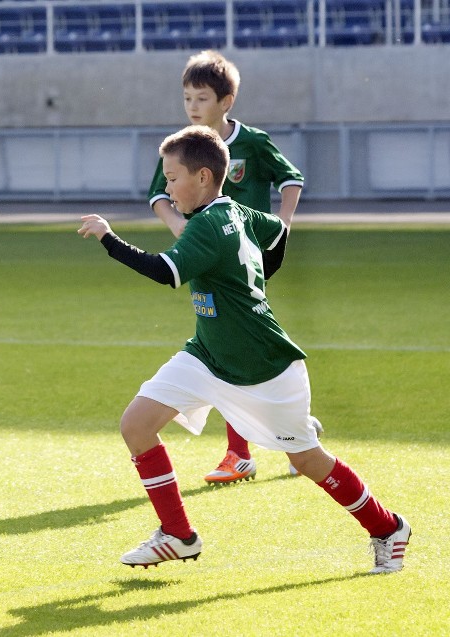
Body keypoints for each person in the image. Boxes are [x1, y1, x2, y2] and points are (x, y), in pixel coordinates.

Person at [77, 125, 410, 574]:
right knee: (136, 424)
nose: (167, 187)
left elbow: (164, 272)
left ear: (202, 177)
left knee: (307, 460)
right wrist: (254, 281)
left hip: (264, 366)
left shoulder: (209, 226)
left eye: (172, 177)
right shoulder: (232, 211)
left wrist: (108, 239)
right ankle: (178, 534)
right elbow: (277, 234)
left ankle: (388, 528)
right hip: (208, 354)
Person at [147, 49, 310, 484]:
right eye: (186, 99)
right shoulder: (185, 147)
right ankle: (293, 434)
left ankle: (258, 447)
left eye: (201, 99)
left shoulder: (252, 143)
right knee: (230, 346)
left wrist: (284, 227)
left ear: (226, 102)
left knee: (233, 349)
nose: (192, 108)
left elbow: (290, 179)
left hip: (242, 261)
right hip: (208, 258)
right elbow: (157, 195)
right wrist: (182, 230)